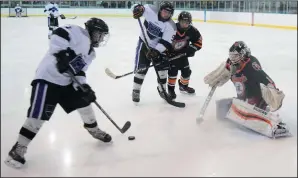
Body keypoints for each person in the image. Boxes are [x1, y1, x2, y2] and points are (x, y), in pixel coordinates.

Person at [5, 18, 111, 169]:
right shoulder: (77, 32)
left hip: (67, 82)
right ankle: (18, 149)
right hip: (48, 78)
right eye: (99, 35)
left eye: (102, 36)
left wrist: (84, 87)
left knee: (85, 102)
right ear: (92, 31)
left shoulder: (91, 54)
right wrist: (62, 53)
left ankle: (94, 130)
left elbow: (79, 71)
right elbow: (58, 34)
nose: (100, 39)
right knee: (38, 116)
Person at [204, 41, 289, 138]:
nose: (232, 59)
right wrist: (218, 78)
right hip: (243, 99)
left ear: (243, 54)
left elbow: (266, 80)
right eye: (231, 56)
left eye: (235, 56)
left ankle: (274, 125)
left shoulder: (251, 66)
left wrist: (273, 91)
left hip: (255, 99)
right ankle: (247, 115)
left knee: (239, 111)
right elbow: (226, 69)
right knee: (222, 106)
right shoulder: (231, 64)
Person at [131, 1, 176, 103]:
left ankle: (162, 90)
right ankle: (136, 90)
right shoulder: (150, 10)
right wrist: (137, 9)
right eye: (164, 11)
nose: (166, 14)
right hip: (144, 44)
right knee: (141, 69)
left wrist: (156, 51)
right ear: (160, 10)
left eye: (169, 13)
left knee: (162, 70)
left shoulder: (171, 26)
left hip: (158, 49)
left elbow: (166, 42)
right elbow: (136, 7)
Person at [167, 11, 203, 99]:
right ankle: (171, 89)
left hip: (183, 55)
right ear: (179, 21)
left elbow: (199, 41)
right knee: (173, 73)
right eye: (183, 22)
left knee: (186, 72)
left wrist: (192, 49)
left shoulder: (192, 30)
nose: (185, 24)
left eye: (187, 23)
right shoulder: (171, 28)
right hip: (172, 56)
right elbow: (164, 41)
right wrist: (165, 54)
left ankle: (183, 86)